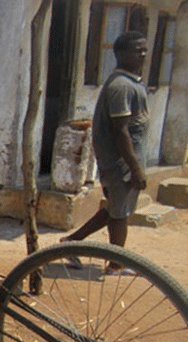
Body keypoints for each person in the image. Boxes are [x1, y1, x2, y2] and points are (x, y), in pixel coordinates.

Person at [61, 31, 148, 274]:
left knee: (113, 210)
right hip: (120, 163)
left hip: (126, 162)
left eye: (144, 50)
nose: (142, 54)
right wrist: (135, 167)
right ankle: (116, 264)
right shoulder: (120, 86)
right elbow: (120, 132)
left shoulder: (134, 83)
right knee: (119, 214)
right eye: (136, 50)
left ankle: (71, 243)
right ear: (120, 54)